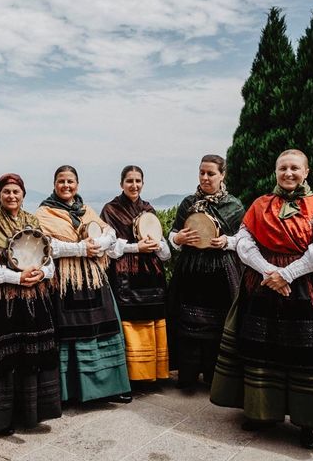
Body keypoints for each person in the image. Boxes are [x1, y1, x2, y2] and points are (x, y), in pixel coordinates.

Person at [210, 149, 313, 449]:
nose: (288, 173)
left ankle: (309, 422)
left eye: (294, 168)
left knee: (308, 352)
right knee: (261, 348)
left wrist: (287, 274)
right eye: (282, 168)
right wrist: (268, 272)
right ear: (275, 172)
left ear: (306, 171)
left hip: (309, 288)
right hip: (263, 285)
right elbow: (245, 242)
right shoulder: (260, 204)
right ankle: (262, 411)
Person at [0, 173, 61, 435]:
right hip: (1, 304)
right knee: (5, 358)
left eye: (16, 192)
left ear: (23, 195)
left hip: (34, 301)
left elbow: (49, 261)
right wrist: (19, 277)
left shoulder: (33, 222)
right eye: (6, 191)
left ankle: (31, 413)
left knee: (31, 355)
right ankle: (2, 419)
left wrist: (41, 274)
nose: (11, 196)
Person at [36, 165, 131, 403]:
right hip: (66, 282)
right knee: (70, 334)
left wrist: (99, 243)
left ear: (77, 184)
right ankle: (71, 391)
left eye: (70, 181)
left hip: (95, 278)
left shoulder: (86, 209)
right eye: (61, 181)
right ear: (54, 184)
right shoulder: (44, 213)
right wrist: (80, 249)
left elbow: (109, 233)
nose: (66, 186)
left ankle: (110, 386)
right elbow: (45, 245)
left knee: (105, 328)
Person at [167, 154, 244, 388]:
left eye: (211, 173)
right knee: (187, 325)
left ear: (223, 175)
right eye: (202, 172)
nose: (205, 177)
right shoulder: (188, 203)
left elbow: (244, 238)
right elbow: (172, 233)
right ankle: (188, 375)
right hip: (190, 272)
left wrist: (227, 242)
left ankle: (214, 376)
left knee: (218, 327)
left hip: (221, 273)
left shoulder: (235, 206)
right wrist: (178, 238)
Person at [100, 165, 171, 385]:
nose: (134, 185)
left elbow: (165, 251)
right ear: (121, 183)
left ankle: (154, 373)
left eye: (138, 181)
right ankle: (131, 376)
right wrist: (135, 247)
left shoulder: (149, 210)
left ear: (143, 183)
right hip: (124, 276)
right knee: (129, 323)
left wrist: (157, 245)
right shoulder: (110, 209)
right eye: (129, 181)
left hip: (152, 275)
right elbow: (110, 249)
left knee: (153, 320)